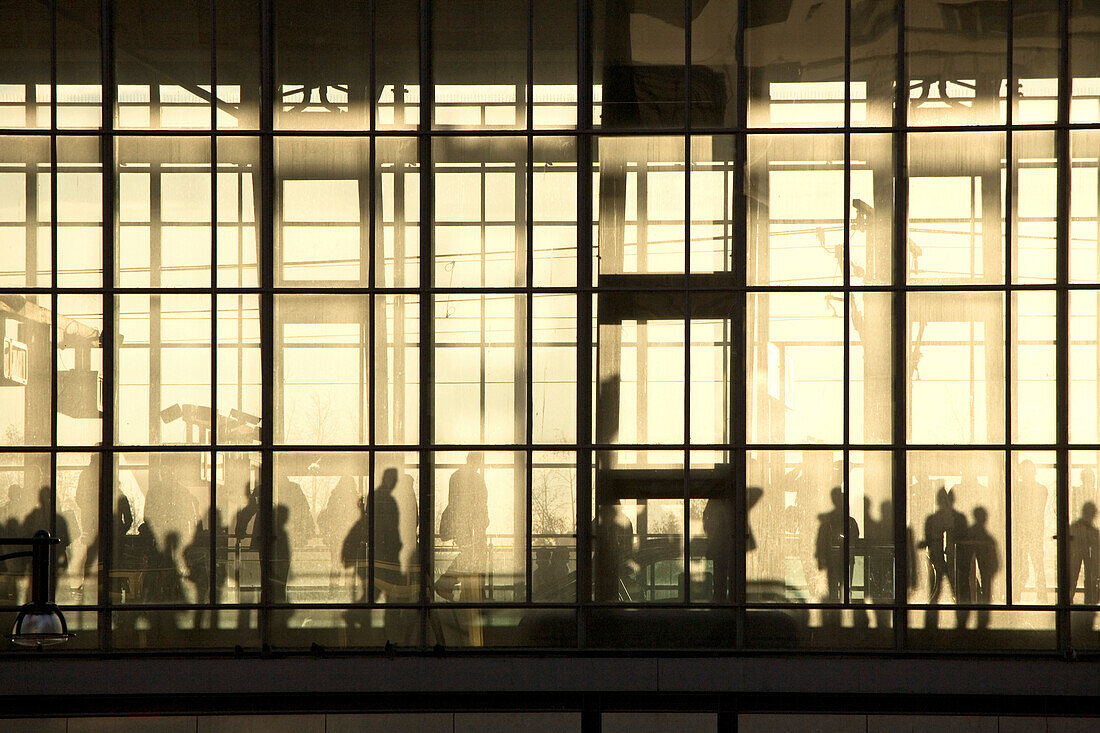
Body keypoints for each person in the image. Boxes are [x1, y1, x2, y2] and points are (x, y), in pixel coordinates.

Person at [433, 452, 489, 601]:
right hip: (468, 525)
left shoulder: (456, 476)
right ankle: (450, 585)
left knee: (469, 555)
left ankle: (451, 585)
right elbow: (480, 503)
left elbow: (455, 502)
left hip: (461, 524)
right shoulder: (475, 479)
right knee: (472, 555)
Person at [922, 486, 969, 629]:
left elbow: (927, 539)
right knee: (955, 593)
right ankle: (961, 625)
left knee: (936, 593)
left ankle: (931, 626)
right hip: (948, 559)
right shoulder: (959, 518)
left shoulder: (932, 519)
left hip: (939, 559)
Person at [1013, 460, 1049, 602]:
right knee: (1037, 565)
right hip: (1034, 531)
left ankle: (1016, 596)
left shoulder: (1017, 489)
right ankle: (1041, 597)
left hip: (1024, 532)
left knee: (1023, 565)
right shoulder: (1041, 489)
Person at [963, 506, 999, 630]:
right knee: (985, 586)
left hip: (977, 568)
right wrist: (993, 570)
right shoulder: (987, 537)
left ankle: (970, 614)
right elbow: (993, 559)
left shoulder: (971, 533)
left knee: (973, 584)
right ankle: (983, 617)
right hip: (985, 568)